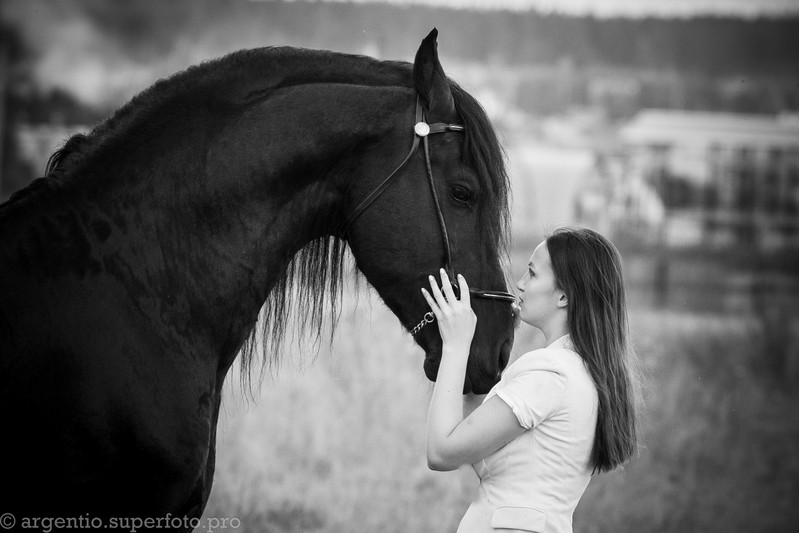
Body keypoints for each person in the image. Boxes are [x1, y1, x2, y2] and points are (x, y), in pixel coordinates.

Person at [421, 227, 639, 533]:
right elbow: (468, 439)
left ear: (564, 296)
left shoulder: (550, 372)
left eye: (532, 274)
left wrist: (455, 347)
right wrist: (475, 349)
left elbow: (441, 452)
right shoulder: (581, 372)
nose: (520, 285)